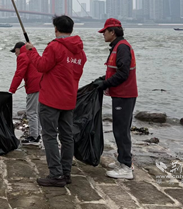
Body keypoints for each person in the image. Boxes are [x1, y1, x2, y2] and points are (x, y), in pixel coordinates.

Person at [25, 15, 86, 187]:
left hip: (51, 98)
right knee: (67, 137)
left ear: (56, 29)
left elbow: (41, 66)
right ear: (71, 29)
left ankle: (56, 175)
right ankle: (65, 173)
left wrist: (31, 51)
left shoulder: (54, 47)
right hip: (69, 99)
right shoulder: (80, 52)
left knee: (50, 135)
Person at [93, 18, 137, 180]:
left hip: (125, 95)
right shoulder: (117, 46)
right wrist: (102, 79)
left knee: (121, 130)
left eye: (104, 31)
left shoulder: (122, 47)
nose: (103, 34)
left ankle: (126, 167)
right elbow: (115, 71)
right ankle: (122, 160)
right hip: (120, 94)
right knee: (120, 128)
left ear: (112, 32)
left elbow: (123, 74)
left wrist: (105, 84)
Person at [9, 41, 42, 145]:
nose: (15, 54)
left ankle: (34, 137)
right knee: (37, 111)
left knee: (31, 112)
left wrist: (12, 90)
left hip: (34, 86)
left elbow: (19, 74)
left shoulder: (22, 56)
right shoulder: (32, 53)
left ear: (18, 49)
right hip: (42, 85)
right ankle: (37, 134)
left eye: (15, 51)